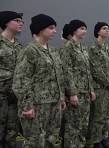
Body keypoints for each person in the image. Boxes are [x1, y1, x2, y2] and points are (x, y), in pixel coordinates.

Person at [12, 14, 66, 148]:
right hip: (37, 105)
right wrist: (27, 106)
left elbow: (58, 76)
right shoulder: (29, 51)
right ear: (40, 29)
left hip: (54, 103)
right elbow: (21, 80)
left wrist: (61, 98)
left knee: (52, 139)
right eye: (51, 28)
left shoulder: (53, 51)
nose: (55, 31)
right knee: (35, 141)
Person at [60, 19, 96, 148]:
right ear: (74, 30)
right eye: (81, 28)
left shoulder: (82, 48)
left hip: (85, 92)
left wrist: (91, 89)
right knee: (73, 126)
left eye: (85, 28)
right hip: (75, 94)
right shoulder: (67, 47)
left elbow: (87, 71)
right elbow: (66, 70)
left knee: (83, 125)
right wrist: (72, 93)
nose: (84, 31)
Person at [87, 22, 109, 148]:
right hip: (100, 88)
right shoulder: (93, 49)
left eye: (108, 29)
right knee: (98, 116)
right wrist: (108, 83)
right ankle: (96, 141)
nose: (107, 30)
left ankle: (104, 139)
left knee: (107, 115)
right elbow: (95, 70)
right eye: (104, 28)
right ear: (97, 32)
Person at [0, 11, 23, 148]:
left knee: (12, 132)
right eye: (17, 20)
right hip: (1, 95)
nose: (21, 23)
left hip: (14, 98)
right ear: (6, 22)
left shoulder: (19, 46)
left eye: (21, 21)